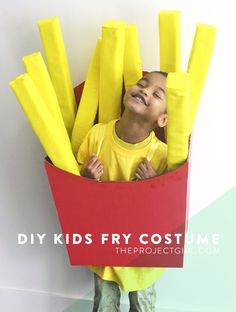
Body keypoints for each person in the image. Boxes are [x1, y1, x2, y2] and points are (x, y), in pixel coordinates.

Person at [77, 71, 168, 311]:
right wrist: (86, 176)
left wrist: (154, 183)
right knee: (103, 303)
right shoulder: (97, 135)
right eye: (141, 84)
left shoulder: (161, 155)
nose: (145, 90)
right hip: (105, 241)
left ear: (163, 120)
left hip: (143, 250)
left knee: (143, 304)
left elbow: (168, 204)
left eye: (157, 93)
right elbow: (73, 184)